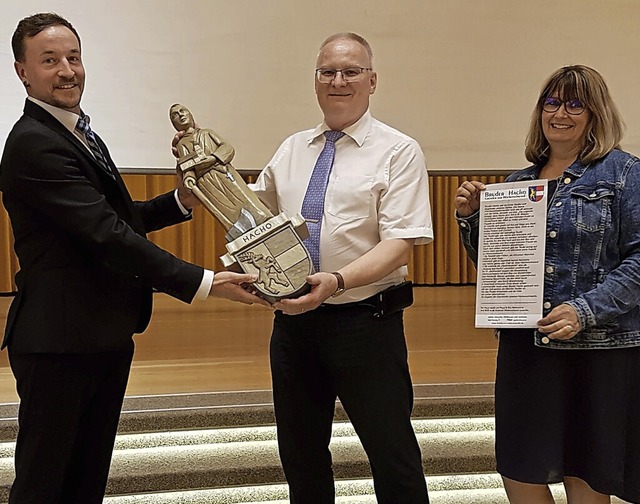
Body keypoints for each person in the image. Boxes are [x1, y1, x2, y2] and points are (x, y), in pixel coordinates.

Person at [0, 13, 267, 504]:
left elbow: (113, 218)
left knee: (85, 481)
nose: (67, 70)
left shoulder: (78, 131)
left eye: (73, 57)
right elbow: (106, 235)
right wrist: (205, 281)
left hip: (101, 334)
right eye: (49, 60)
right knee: (43, 483)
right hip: (58, 344)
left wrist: (181, 201)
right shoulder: (33, 144)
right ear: (22, 71)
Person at [251, 32, 433, 503]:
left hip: (365, 324)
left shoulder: (399, 150)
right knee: (300, 454)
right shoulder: (292, 149)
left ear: (372, 81)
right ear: (315, 82)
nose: (338, 80)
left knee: (391, 454)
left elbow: (400, 243)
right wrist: (203, 177)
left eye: (351, 71)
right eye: (328, 72)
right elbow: (250, 213)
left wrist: (336, 282)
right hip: (293, 326)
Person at [455, 65, 640, 504]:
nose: (561, 113)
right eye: (552, 102)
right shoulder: (517, 184)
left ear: (596, 113)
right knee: (520, 471)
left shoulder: (625, 174)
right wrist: (473, 219)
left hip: (598, 352)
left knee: (585, 478)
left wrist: (584, 310)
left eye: (576, 104)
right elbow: (500, 271)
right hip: (526, 351)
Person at [169, 103, 272, 239]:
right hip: (206, 182)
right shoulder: (182, 145)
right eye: (175, 115)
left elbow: (227, 147)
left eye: (183, 111)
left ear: (190, 114)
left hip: (222, 172)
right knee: (225, 205)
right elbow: (187, 167)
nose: (180, 115)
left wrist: (213, 158)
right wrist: (189, 178)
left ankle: (262, 219)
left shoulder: (207, 133)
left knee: (242, 197)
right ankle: (242, 231)